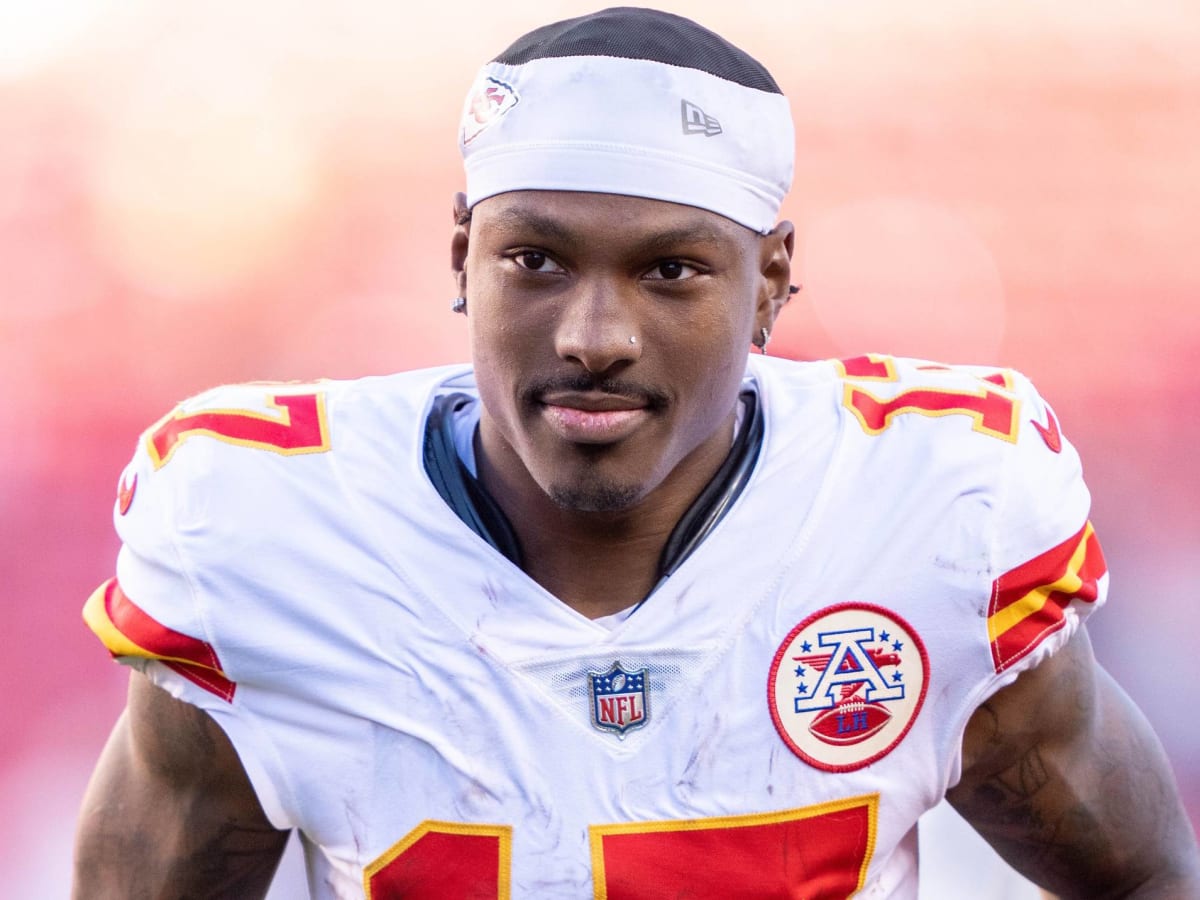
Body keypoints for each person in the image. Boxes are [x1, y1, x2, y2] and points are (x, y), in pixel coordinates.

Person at [72, 7, 1199, 898]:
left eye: (670, 271)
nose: (593, 338)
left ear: (771, 284)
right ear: (461, 255)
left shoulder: (937, 511)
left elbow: (1143, 876)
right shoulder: (260, 536)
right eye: (536, 261)